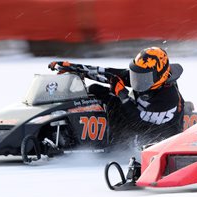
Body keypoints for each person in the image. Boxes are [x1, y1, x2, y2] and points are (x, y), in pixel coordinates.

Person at [48, 47, 185, 146]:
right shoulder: (145, 79)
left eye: (142, 77)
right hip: (137, 115)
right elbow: (109, 74)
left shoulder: (168, 98)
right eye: (135, 74)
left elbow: (139, 124)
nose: (136, 80)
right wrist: (74, 68)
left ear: (160, 76)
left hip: (155, 138)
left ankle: (104, 143)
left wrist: (123, 94)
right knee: (95, 90)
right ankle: (74, 126)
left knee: (115, 104)